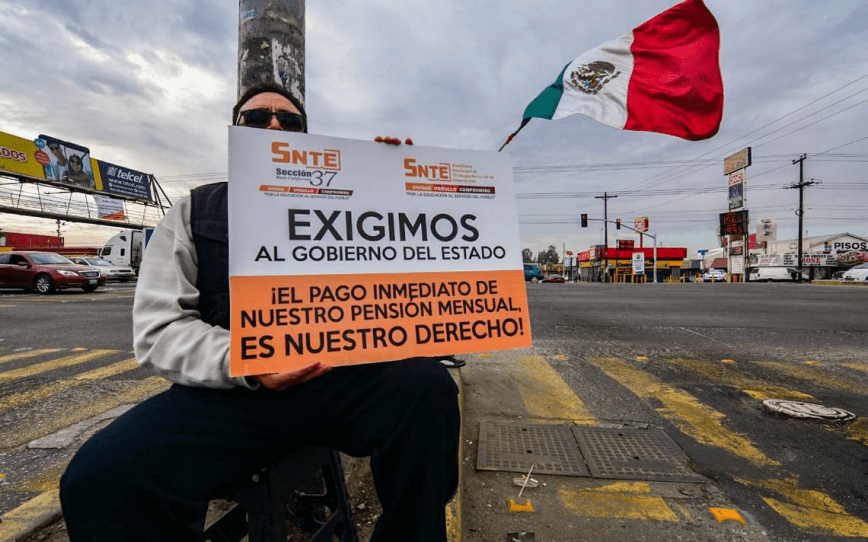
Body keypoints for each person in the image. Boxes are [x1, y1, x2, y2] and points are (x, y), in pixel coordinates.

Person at [59, 84, 461, 542]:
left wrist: (399, 186)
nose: (274, 125)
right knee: (98, 478)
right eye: (257, 118)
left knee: (428, 389)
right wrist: (249, 359)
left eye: (289, 122)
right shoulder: (194, 210)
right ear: (235, 131)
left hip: (337, 382)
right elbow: (159, 333)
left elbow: (419, 292)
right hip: (233, 397)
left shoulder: (359, 201)